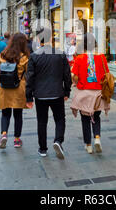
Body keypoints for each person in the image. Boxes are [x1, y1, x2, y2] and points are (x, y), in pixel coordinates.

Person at [26, 27, 72, 159]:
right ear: (51, 38)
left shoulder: (34, 56)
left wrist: (28, 96)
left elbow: (30, 77)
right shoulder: (60, 54)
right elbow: (67, 75)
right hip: (57, 92)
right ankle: (58, 140)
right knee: (60, 119)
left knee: (42, 121)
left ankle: (43, 148)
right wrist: (67, 91)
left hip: (40, 94)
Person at [70, 33, 110, 154]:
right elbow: (106, 75)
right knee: (96, 117)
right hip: (98, 92)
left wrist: (77, 82)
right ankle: (97, 138)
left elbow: (74, 76)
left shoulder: (79, 58)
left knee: (85, 119)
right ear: (95, 44)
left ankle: (88, 145)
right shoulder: (102, 58)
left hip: (84, 92)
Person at [0, 33, 30, 149]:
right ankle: (17, 139)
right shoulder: (24, 57)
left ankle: (4, 134)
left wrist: (3, 82)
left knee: (5, 114)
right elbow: (28, 74)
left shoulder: (3, 55)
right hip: (18, 88)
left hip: (4, 89)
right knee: (18, 114)